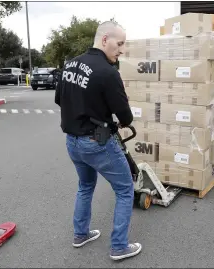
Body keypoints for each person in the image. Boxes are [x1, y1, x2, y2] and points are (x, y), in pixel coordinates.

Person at [55, 21, 142, 260]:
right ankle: (119, 247)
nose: (122, 49)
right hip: (98, 141)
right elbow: (125, 116)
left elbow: (60, 100)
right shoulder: (108, 72)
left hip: (72, 142)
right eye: (120, 43)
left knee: (85, 186)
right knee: (125, 190)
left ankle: (80, 234)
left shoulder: (69, 64)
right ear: (105, 40)